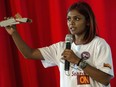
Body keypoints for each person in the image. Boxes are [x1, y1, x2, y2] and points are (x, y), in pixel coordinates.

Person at [5, 1, 114, 87]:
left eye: (77, 18)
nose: (71, 22)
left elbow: (105, 79)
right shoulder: (61, 47)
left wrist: (77, 61)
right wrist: (14, 33)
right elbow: (29, 53)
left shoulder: (99, 44)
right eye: (68, 19)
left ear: (88, 22)